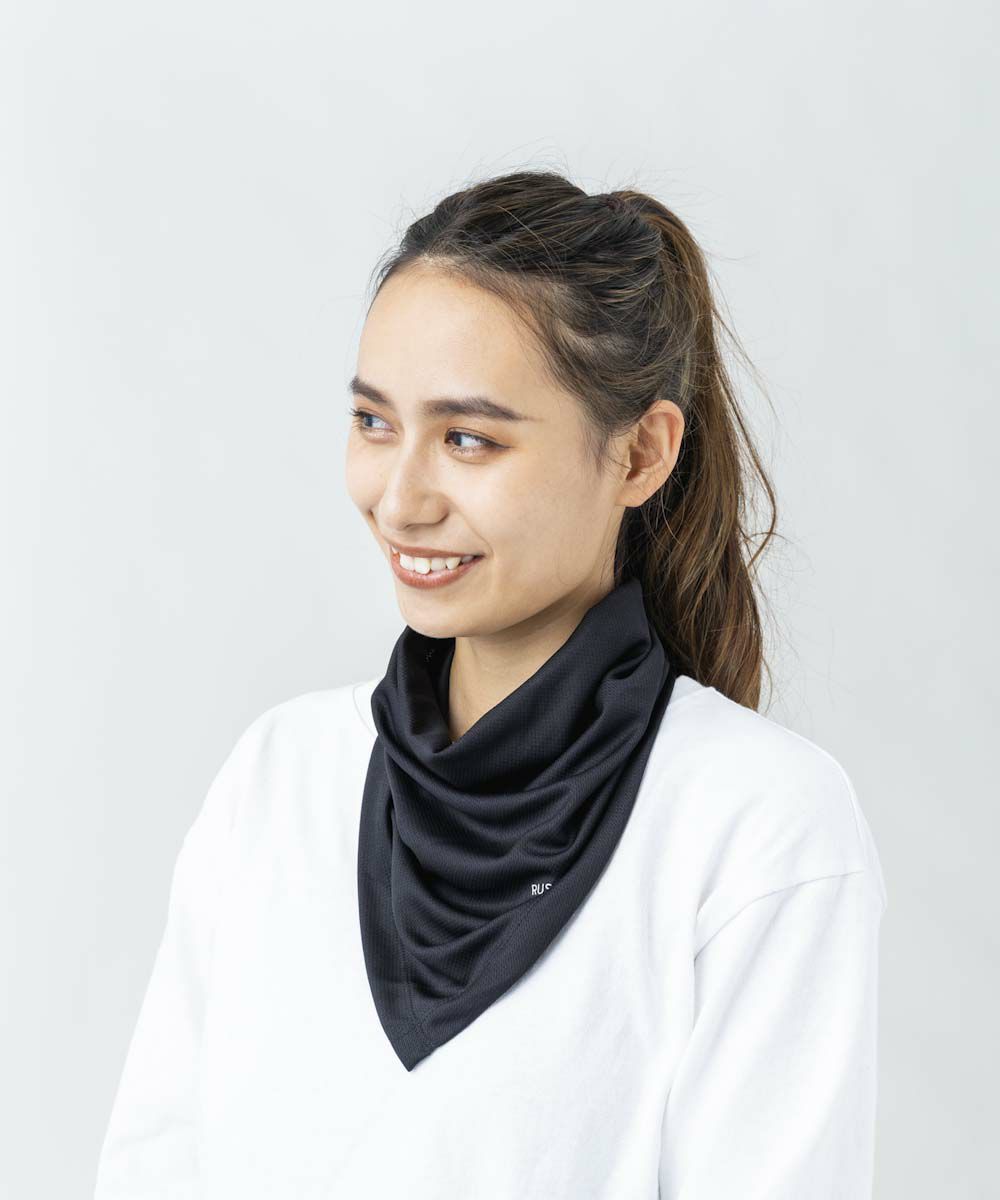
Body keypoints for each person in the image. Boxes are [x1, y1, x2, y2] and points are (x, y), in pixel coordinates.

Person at [94, 170, 887, 1198]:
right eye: (374, 423)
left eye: (468, 438)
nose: (399, 500)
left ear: (640, 454)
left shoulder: (756, 825)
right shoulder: (278, 778)